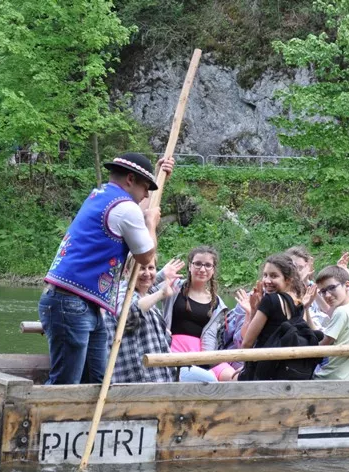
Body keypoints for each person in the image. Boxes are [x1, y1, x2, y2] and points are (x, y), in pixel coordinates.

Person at [39, 153, 174, 385]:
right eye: (145, 187)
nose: (147, 194)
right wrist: (151, 223)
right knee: (66, 384)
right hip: (71, 303)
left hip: (81, 304)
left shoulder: (100, 195)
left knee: (99, 381)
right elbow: (145, 255)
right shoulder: (125, 208)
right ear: (130, 179)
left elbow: (137, 211)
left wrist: (160, 177)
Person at [238, 253, 319, 380]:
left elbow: (247, 343)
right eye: (265, 275)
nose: (267, 281)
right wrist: (254, 309)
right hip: (290, 372)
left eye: (274, 276)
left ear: (288, 279)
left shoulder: (270, 300)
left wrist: (246, 368)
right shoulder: (298, 302)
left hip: (266, 373)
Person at [105, 257, 182, 384]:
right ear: (126, 272)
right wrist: (161, 294)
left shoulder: (144, 295)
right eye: (141, 268)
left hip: (159, 380)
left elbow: (146, 285)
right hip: (136, 384)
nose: (147, 273)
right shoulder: (120, 293)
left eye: (151, 268)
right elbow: (127, 313)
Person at [159, 246, 229, 383]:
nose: (202, 269)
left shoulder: (217, 303)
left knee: (234, 377)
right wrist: (162, 275)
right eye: (197, 264)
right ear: (190, 266)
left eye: (208, 265)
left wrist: (205, 362)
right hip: (173, 351)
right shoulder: (173, 287)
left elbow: (210, 337)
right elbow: (142, 291)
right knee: (209, 380)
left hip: (203, 354)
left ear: (213, 269)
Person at [312, 265, 349, 380]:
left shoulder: (342, 311)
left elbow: (322, 346)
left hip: (335, 378)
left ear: (347, 285)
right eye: (323, 291)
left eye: (332, 288)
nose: (327, 295)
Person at [286, 246, 328, 328]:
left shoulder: (310, 285)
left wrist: (306, 282)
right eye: (294, 267)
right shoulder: (284, 288)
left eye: (301, 267)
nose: (297, 271)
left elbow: (327, 310)